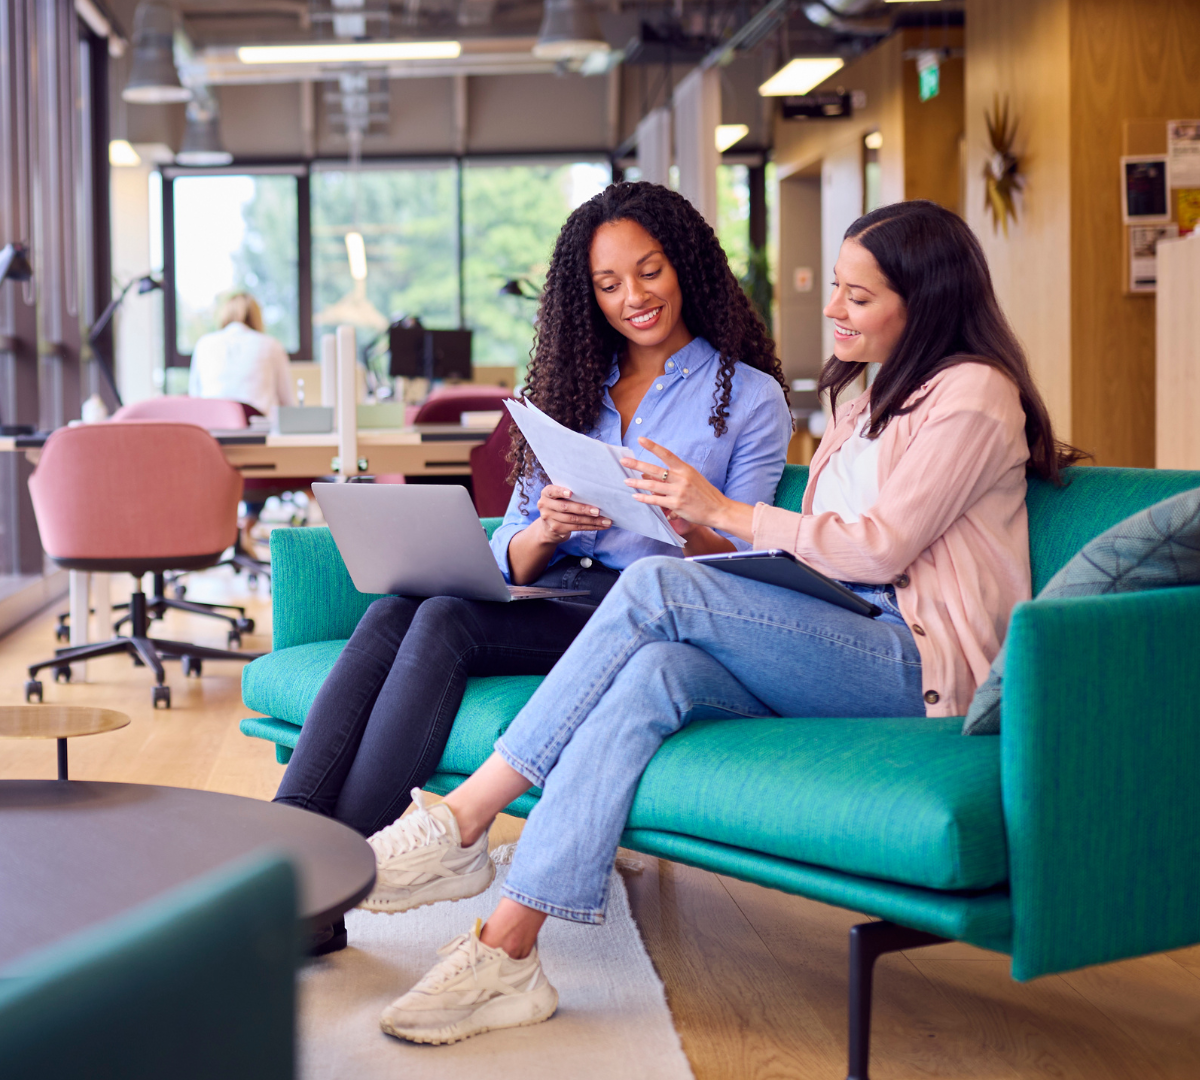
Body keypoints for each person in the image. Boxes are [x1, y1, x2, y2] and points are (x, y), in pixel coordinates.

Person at [359, 199, 1083, 1046]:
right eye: (837, 289)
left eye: (858, 295)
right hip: (844, 631)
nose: (834, 309)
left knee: (663, 587)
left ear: (925, 301)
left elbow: (882, 550)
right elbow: (829, 560)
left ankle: (466, 817)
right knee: (654, 671)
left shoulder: (972, 394)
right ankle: (508, 951)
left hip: (920, 662)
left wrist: (723, 514)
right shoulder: (866, 398)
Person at [272, 182, 793, 948]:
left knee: (446, 620)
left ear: (685, 266)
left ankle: (331, 886)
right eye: (608, 285)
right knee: (394, 609)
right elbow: (508, 544)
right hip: (552, 587)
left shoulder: (748, 398)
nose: (633, 298)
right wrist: (546, 528)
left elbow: (748, 564)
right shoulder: (572, 385)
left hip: (638, 605)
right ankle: (279, 859)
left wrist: (688, 514)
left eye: (648, 272)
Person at [189, 292, 296, 549]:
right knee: (256, 455)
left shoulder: (204, 344)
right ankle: (246, 525)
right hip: (261, 464)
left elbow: (194, 402)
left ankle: (235, 530)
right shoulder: (270, 345)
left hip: (210, 459)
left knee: (237, 461)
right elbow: (288, 405)